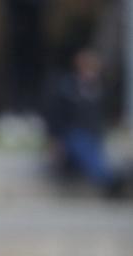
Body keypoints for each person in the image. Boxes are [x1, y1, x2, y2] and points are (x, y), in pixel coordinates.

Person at [44, 47, 124, 197]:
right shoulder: (67, 88)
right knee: (83, 145)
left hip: (94, 135)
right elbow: (55, 117)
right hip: (72, 136)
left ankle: (109, 179)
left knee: (92, 151)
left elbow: (107, 114)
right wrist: (54, 140)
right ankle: (109, 180)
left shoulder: (100, 89)